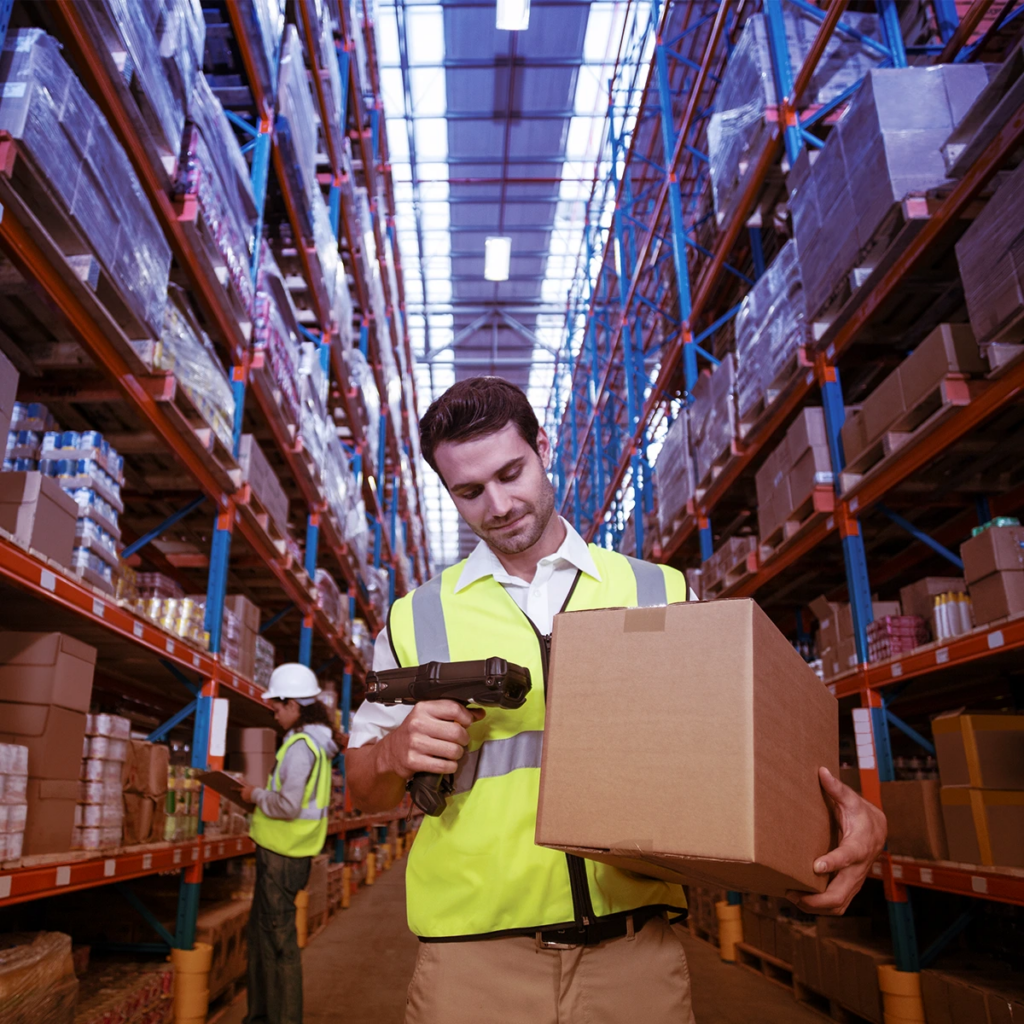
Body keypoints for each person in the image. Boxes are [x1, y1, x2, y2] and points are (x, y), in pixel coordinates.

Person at [347, 377, 887, 1024]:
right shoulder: (416, 619)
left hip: (635, 959)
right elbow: (363, 789)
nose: (497, 504)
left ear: (542, 448)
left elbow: (743, 744)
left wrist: (844, 819)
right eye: (469, 492)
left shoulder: (656, 590)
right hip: (472, 965)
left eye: (511, 473)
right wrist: (396, 752)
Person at [240, 663, 340, 1024]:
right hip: (284, 853)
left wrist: (254, 794)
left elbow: (286, 805)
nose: (275, 713)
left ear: (296, 706)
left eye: (279, 706)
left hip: (282, 857)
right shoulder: (315, 744)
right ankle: (260, 1015)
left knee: (280, 948)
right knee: (263, 940)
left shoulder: (301, 747)